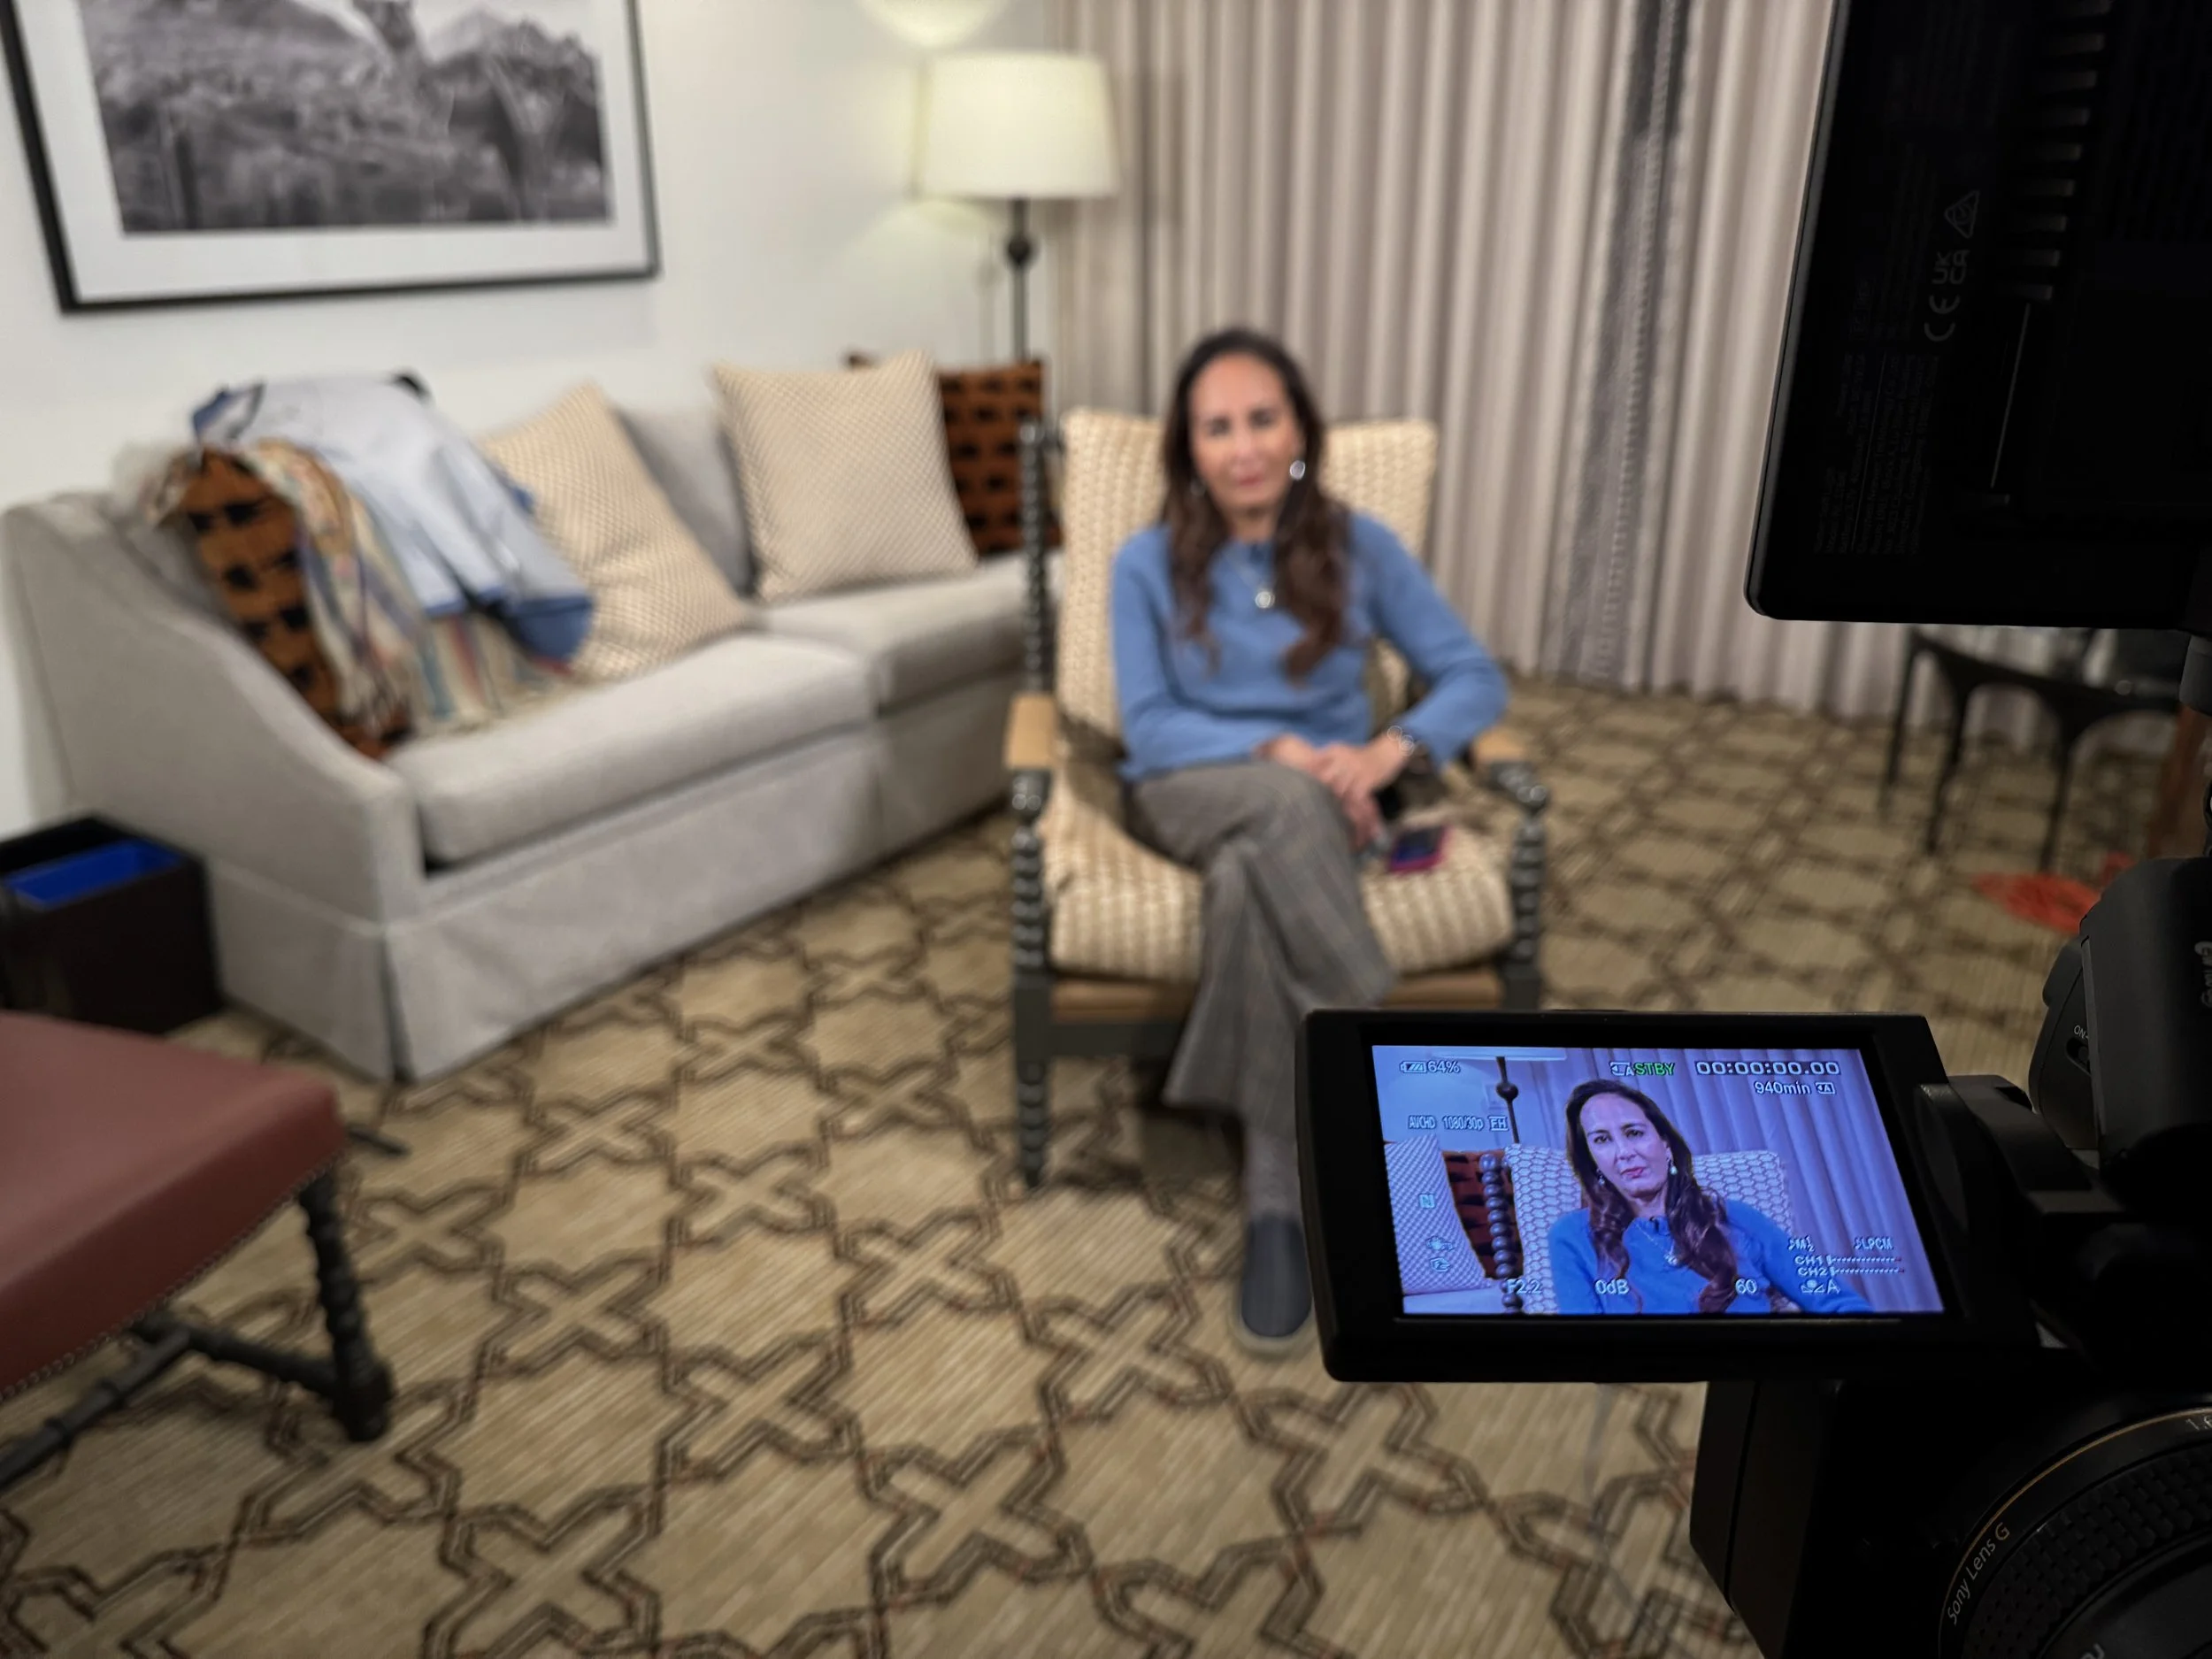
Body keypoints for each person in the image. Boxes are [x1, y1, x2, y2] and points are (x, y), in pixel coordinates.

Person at [1110, 326, 1509, 1352]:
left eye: (1261, 419)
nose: (1241, 447)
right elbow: (1149, 726)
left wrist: (1387, 753)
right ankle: (1405, 1091)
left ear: (1298, 433)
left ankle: (1277, 1205)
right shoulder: (1143, 563)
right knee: (1278, 812)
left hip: (1328, 816)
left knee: (1252, 880)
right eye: (1216, 427)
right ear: (1186, 447)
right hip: (1187, 791)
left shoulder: (1358, 545)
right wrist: (1281, 749)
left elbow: (1473, 678)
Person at [1546, 1080, 1873, 1316]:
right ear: (1594, 1163)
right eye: (1602, 1140)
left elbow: (1836, 1302)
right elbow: (1586, 1351)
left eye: (1633, 1133)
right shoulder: (1572, 1237)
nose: (1624, 1153)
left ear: (1666, 1144)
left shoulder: (1738, 1218)